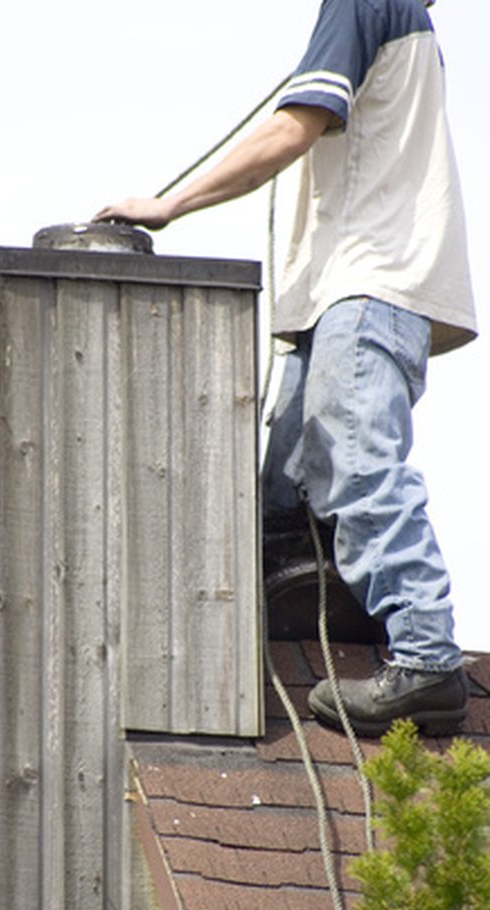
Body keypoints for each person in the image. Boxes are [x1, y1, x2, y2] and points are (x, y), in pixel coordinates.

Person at [94, 0, 477, 737]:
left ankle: (426, 656)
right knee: (286, 505)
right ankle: (318, 613)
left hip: (364, 287)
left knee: (357, 461)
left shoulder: (365, 0)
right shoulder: (405, 25)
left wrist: (170, 203)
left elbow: (292, 130)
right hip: (339, 299)